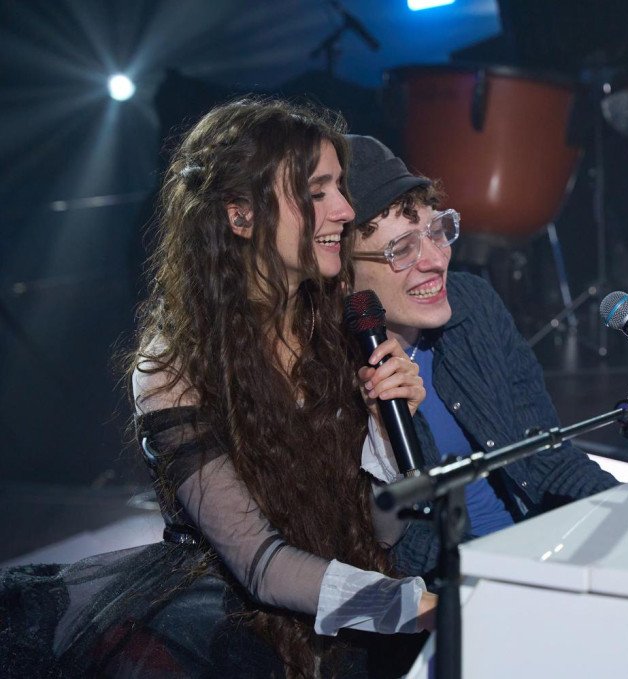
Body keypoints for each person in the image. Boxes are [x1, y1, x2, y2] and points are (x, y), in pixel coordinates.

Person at [0, 99, 434, 678]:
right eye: (318, 191)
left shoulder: (343, 323)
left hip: (347, 601)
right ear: (241, 215)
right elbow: (259, 566)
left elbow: (383, 534)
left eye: (341, 188)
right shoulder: (173, 367)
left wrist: (386, 431)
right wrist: (408, 607)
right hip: (234, 623)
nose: (345, 210)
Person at [342, 135, 619, 578]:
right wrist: (511, 578)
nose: (435, 259)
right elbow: (398, 548)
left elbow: (549, 456)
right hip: (463, 592)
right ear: (343, 276)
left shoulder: (474, 304)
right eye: (403, 249)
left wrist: (623, 513)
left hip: (540, 555)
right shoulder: (330, 371)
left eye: (435, 232)